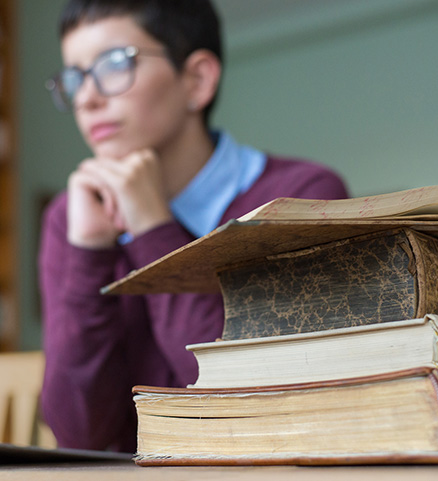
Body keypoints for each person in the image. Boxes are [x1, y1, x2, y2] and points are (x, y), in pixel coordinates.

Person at [39, 0, 349, 453]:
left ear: (197, 80)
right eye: (75, 77)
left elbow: (261, 411)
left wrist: (152, 230)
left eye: (113, 65)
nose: (86, 98)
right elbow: (79, 435)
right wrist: (89, 253)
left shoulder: (302, 196)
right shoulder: (71, 216)